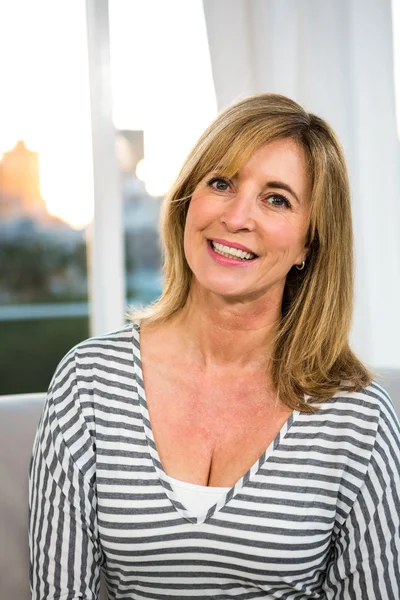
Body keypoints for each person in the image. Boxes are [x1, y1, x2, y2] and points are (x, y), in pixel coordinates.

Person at [29, 94, 400, 599]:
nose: (236, 217)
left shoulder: (358, 416)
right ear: (187, 201)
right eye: (221, 183)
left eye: (276, 199)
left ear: (309, 243)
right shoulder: (89, 379)